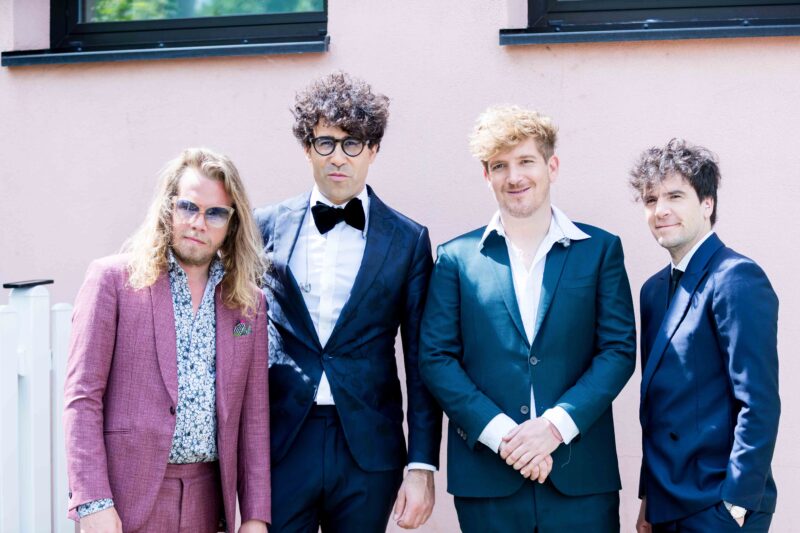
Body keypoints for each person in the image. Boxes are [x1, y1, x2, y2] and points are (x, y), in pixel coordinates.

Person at [419, 105, 636, 532]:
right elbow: (436, 358)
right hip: (487, 478)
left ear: (551, 166)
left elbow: (618, 351)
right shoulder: (455, 259)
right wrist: (505, 437)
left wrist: (553, 428)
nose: (514, 176)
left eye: (525, 161)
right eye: (500, 165)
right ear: (487, 176)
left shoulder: (600, 250)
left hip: (580, 476)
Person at [254, 72, 442, 532]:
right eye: (325, 142)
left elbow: (421, 360)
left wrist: (421, 464)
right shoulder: (264, 226)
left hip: (369, 448)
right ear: (307, 148)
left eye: (352, 143)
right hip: (282, 441)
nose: (338, 157)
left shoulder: (408, 240)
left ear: (373, 149)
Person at [64, 148, 270, 533]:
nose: (198, 223)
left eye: (215, 213)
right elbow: (82, 397)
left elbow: (254, 418)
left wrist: (256, 517)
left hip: (209, 502)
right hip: (125, 501)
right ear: (168, 208)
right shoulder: (113, 281)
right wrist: (93, 501)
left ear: (232, 223)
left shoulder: (248, 303)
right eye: (188, 207)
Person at [630, 139, 780, 532]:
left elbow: (759, 402)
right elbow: (658, 408)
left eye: (675, 196)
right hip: (666, 504)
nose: (660, 210)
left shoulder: (736, 277)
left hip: (719, 506)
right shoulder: (652, 291)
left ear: (707, 203)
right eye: (651, 200)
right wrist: (648, 499)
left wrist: (737, 504)